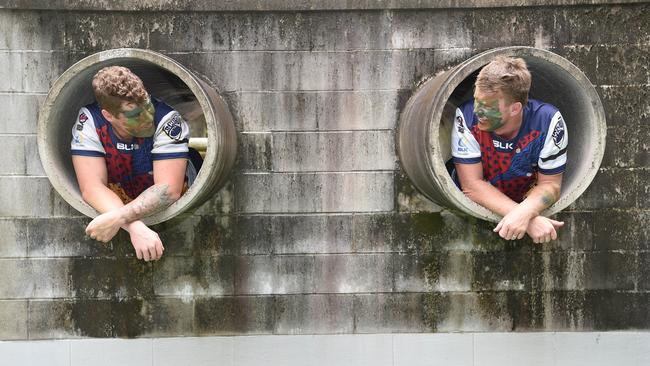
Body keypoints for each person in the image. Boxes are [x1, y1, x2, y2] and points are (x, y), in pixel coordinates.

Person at [71, 66, 196, 261]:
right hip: (124, 193)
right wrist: (135, 226)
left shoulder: (167, 119)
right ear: (108, 115)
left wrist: (119, 218)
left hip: (177, 188)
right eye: (135, 114)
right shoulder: (90, 120)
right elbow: (91, 187)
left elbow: (169, 190)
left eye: (147, 105)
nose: (147, 118)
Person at [450, 56, 568, 243]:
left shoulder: (547, 121)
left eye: (487, 106)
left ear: (515, 108)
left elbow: (551, 185)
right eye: (476, 101)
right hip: (481, 202)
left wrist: (524, 213)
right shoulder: (466, 116)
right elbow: (471, 186)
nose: (477, 111)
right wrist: (528, 219)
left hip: (525, 194)